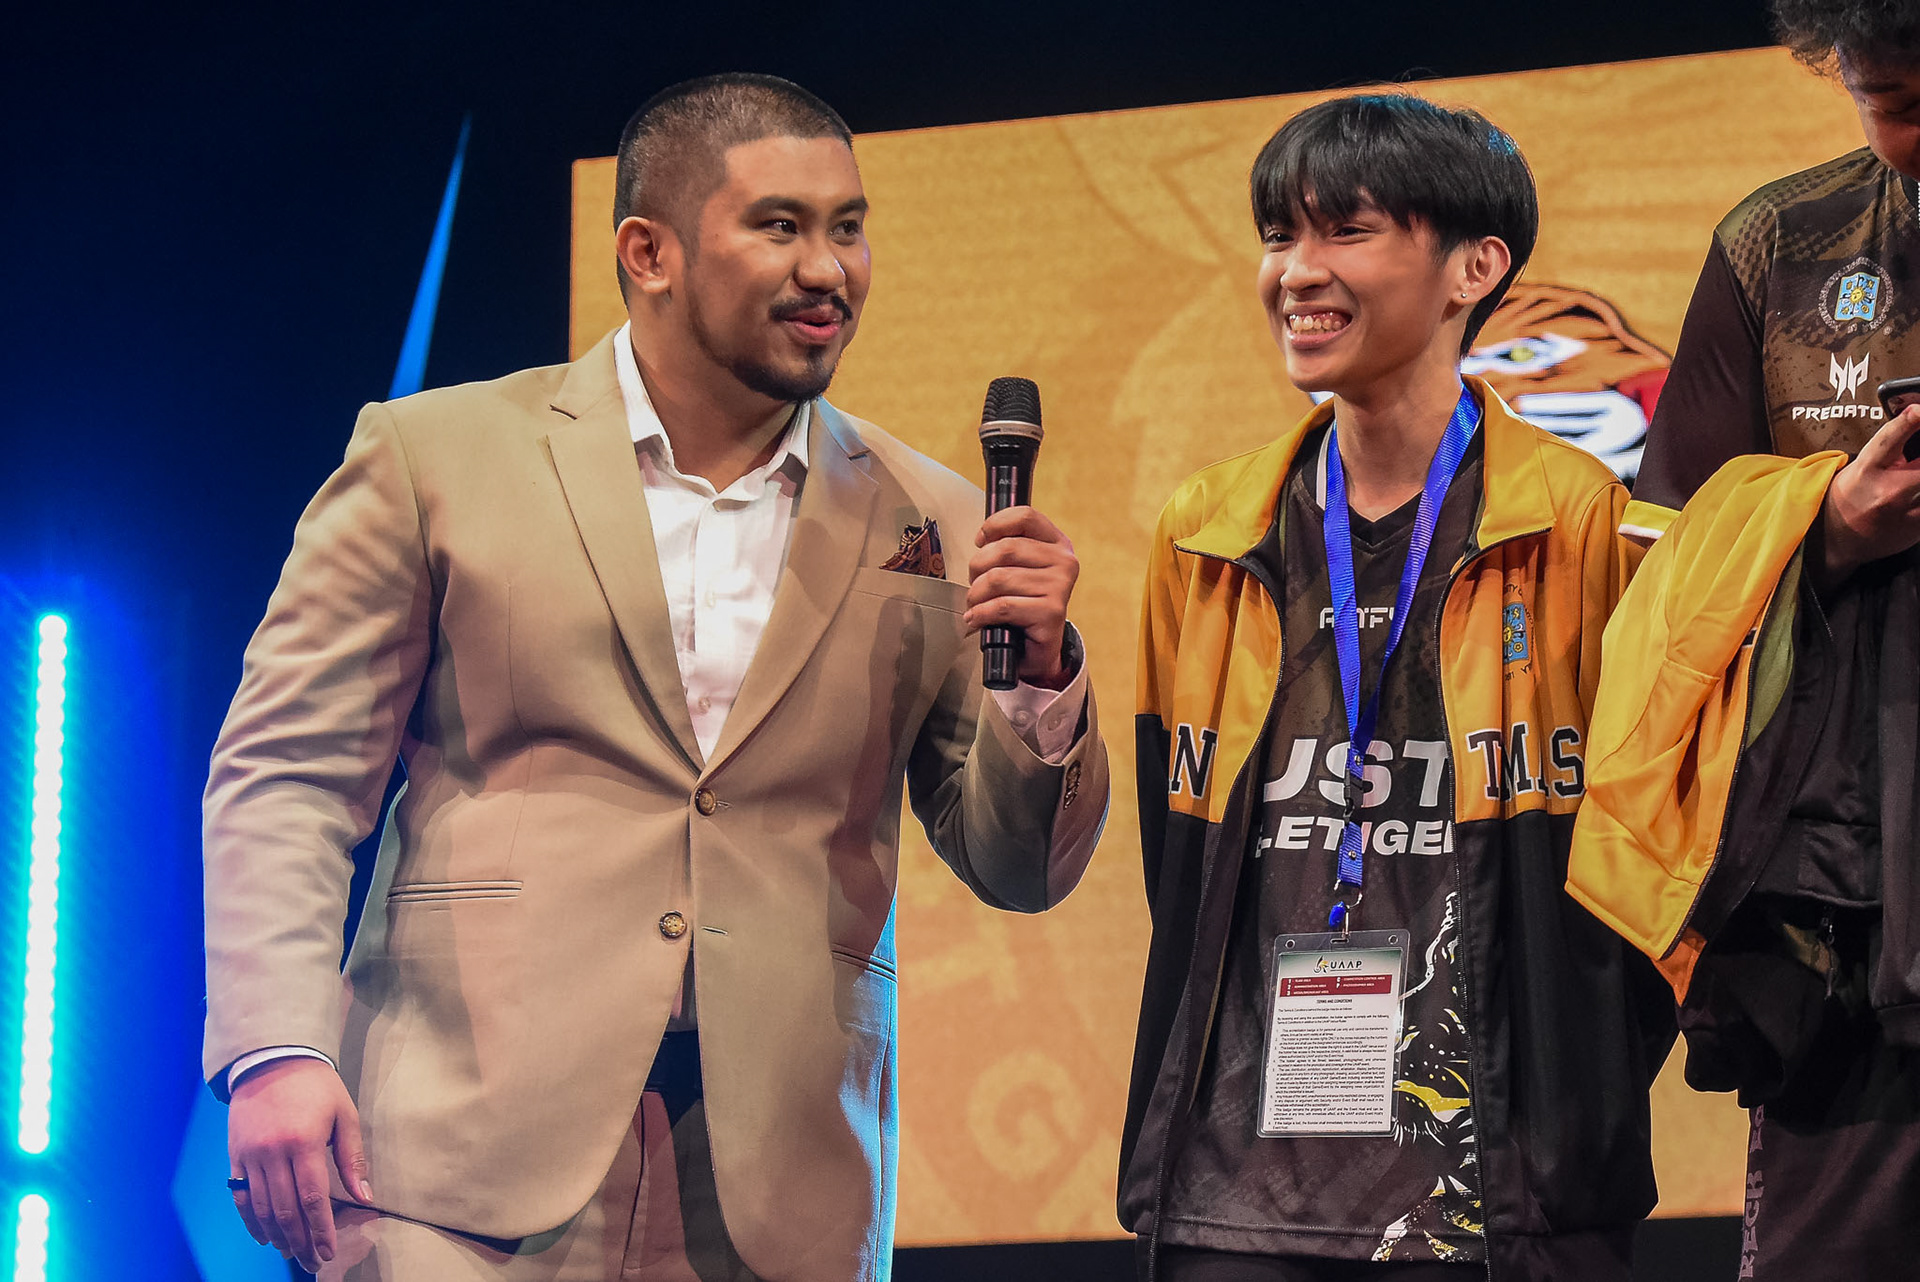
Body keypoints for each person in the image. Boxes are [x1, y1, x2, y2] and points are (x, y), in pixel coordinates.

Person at [203, 73, 1109, 1281]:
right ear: (649, 253)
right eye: (780, 226)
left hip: (781, 1184)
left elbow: (1017, 865)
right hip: (453, 1165)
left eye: (848, 227)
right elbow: (291, 773)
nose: (829, 269)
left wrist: (1040, 677)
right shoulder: (437, 456)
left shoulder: (931, 516)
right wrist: (275, 1048)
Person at [1120, 94, 1674, 1281]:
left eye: (1346, 231)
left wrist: (1579, 1085)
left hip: (1496, 1187)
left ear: (1476, 267)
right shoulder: (1207, 530)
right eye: (1279, 235)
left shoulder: (1579, 521)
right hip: (1234, 1193)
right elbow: (1179, 856)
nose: (1295, 272)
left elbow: (1642, 852)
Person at [1568, 3, 1920, 1276]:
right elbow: (1665, 562)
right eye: (1896, 104)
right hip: (1847, 909)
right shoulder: (1783, 243)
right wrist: (1824, 529)